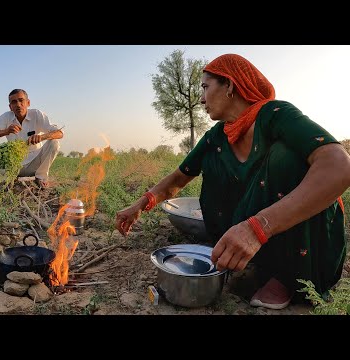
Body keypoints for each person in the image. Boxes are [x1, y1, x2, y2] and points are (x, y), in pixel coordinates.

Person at [115, 53, 350, 310]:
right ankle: (251, 261)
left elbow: (339, 166)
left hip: (309, 246)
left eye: (206, 87)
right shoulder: (217, 136)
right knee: (213, 158)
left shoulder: (275, 115)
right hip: (255, 234)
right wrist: (141, 203)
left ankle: (287, 277)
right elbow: (180, 177)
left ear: (229, 85)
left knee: (287, 156)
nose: (201, 98)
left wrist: (257, 228)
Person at [0, 89, 63, 188]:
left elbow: (60, 133)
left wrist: (42, 137)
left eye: (21, 100)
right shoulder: (6, 117)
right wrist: (5, 131)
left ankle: (41, 177)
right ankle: (10, 178)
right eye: (14, 102)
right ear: (10, 107)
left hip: (34, 163)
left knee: (54, 142)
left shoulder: (37, 114)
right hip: (13, 165)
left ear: (28, 103)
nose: (18, 104)